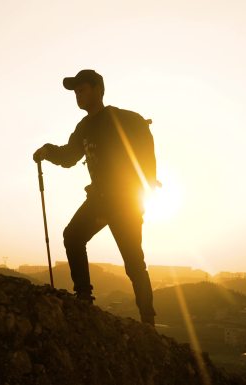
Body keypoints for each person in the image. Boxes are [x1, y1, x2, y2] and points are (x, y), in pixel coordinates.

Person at [33, 69, 158, 325]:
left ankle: (147, 319)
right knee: (73, 236)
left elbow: (146, 141)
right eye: (75, 92)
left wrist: (147, 181)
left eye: (82, 90)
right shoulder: (84, 127)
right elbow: (70, 156)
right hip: (100, 198)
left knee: (133, 261)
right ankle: (84, 296)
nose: (78, 96)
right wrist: (47, 151)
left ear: (98, 90)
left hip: (125, 200)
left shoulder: (123, 118)